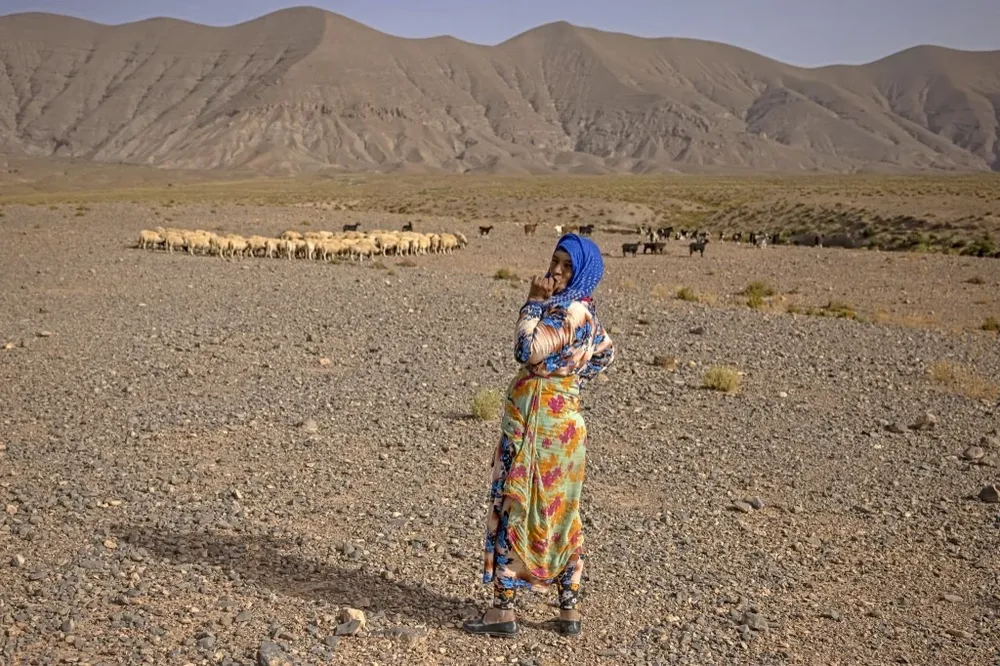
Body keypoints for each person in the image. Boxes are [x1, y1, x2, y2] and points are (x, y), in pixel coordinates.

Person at [464, 233, 616, 638]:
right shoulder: (586, 311)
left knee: (517, 503)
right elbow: (605, 352)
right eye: (555, 262)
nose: (558, 271)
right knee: (562, 510)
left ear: (583, 272)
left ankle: (502, 612)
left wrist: (532, 302)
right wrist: (570, 378)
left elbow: (526, 350)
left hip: (535, 427)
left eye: (568, 266)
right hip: (565, 426)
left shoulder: (564, 312)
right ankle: (568, 611)